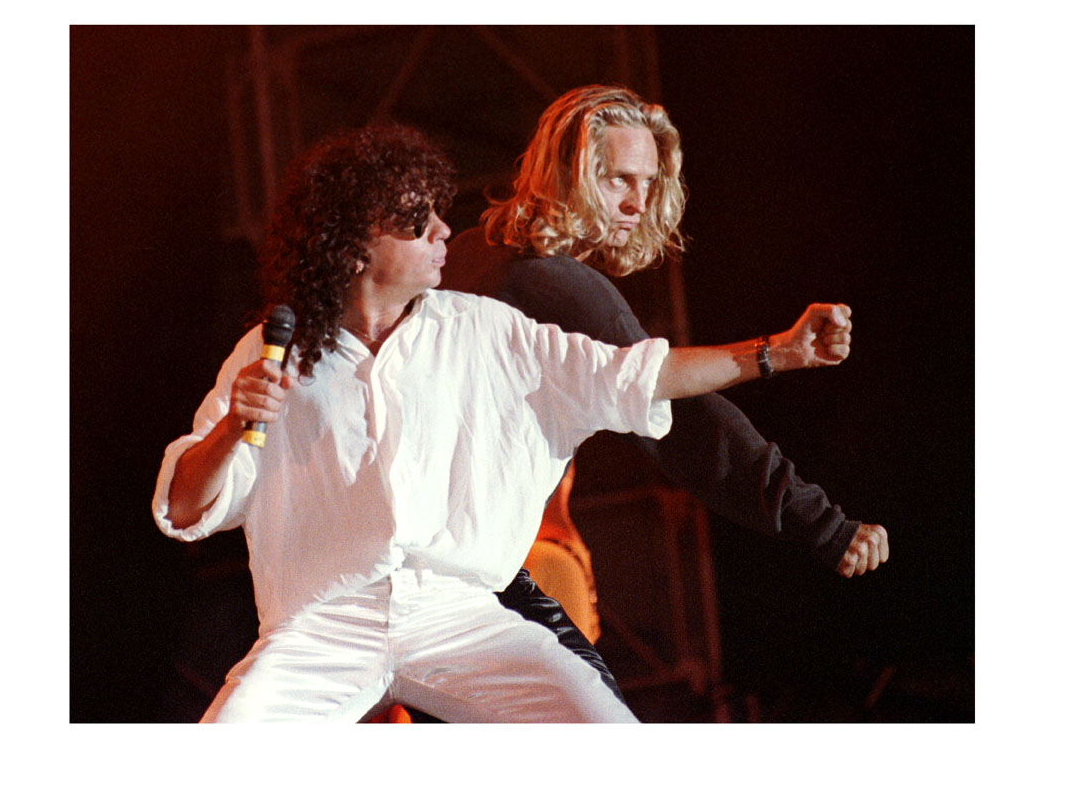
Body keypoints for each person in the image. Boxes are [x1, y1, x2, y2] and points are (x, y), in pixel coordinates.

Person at [152, 124, 863, 723]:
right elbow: (184, 506)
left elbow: (636, 376)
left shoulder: (483, 329)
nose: (442, 230)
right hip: (320, 626)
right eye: (418, 220)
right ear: (356, 243)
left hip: (457, 614)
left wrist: (777, 352)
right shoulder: (269, 355)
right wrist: (232, 426)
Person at [441, 84, 888, 648]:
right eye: (618, 180)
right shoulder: (558, 286)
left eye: (649, 182)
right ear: (566, 173)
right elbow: (685, 418)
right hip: (461, 578)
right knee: (586, 698)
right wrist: (823, 523)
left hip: (415, 557)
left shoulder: (464, 251)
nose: (638, 203)